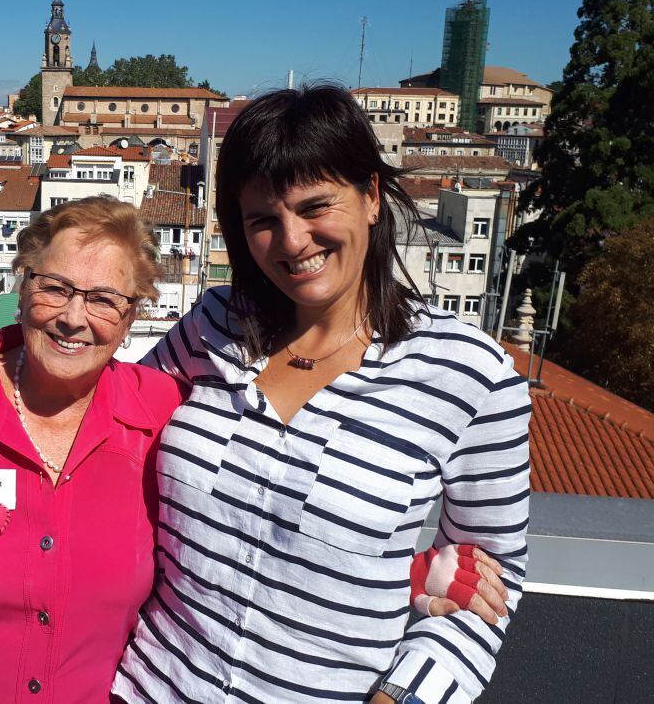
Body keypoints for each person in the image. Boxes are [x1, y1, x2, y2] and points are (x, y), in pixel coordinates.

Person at [0, 192, 509, 703]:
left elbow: (254, 500)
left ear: (134, 316)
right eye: (53, 286)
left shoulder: (159, 414)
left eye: (104, 299)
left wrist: (405, 572)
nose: (73, 317)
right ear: (21, 284)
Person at [111, 86, 531, 704]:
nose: (292, 241)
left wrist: (404, 696)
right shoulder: (215, 324)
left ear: (371, 197)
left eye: (315, 207)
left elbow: (496, 585)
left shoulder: (470, 375)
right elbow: (111, 435)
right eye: (263, 221)